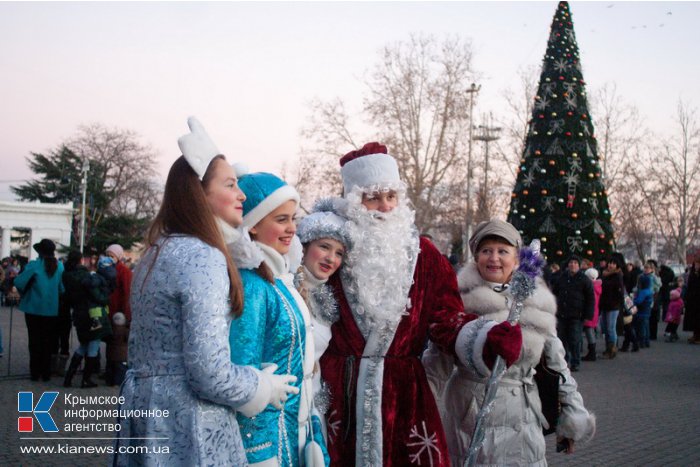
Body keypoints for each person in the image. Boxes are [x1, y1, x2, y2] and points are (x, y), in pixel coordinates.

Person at [319, 143, 521, 466]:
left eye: (391, 196)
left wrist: (484, 338)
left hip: (404, 399)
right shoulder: (331, 253)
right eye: (373, 197)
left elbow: (446, 318)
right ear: (353, 202)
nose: (384, 207)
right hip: (340, 398)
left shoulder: (424, 256)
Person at [112, 117, 298, 466]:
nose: (241, 193)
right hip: (188, 424)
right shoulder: (204, 256)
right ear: (201, 193)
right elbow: (209, 372)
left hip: (145, 415)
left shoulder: (157, 250)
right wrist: (262, 387)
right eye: (230, 184)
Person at [426, 220, 595, 465]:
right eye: (486, 251)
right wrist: (414, 412)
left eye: (502, 251)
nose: (494, 258)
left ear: (516, 259)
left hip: (522, 422)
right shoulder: (458, 301)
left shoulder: (537, 303)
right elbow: (434, 366)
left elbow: (558, 367)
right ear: (476, 257)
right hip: (470, 419)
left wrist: (570, 417)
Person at [227, 171, 328, 467]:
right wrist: (260, 453)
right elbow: (246, 372)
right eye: (281, 220)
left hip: (295, 435)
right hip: (270, 444)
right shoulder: (252, 285)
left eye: (293, 218)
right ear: (253, 226)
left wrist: (311, 433)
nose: (292, 229)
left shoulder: (279, 279)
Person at [295, 198, 350, 447]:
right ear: (304, 247)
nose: (331, 258)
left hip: (313, 409)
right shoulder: (284, 288)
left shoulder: (327, 300)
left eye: (339, 253)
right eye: (324, 246)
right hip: (285, 408)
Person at [14, 239, 65, 381]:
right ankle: (46, 372)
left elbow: (18, 282)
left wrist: (25, 292)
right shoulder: (60, 266)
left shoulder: (34, 265)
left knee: (34, 341)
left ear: (40, 252)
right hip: (52, 310)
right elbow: (61, 288)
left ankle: (35, 373)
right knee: (48, 342)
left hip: (33, 308)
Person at [62, 250, 113, 388]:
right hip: (92, 313)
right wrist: (105, 299)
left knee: (84, 343)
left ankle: (69, 378)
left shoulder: (66, 276)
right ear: (81, 260)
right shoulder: (86, 276)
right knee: (93, 343)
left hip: (78, 313)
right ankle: (86, 379)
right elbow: (96, 296)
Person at [552, 255, 594, 371]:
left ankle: (576, 361)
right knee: (562, 339)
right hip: (562, 313)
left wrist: (588, 315)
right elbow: (554, 293)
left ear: (579, 265)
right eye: (571, 263)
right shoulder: (562, 277)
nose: (573, 265)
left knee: (575, 339)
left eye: (575, 263)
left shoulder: (584, 279)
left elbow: (590, 298)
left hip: (577, 314)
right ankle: (564, 361)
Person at [599, 252, 626, 359]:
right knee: (605, 328)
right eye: (610, 263)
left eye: (613, 264)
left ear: (617, 265)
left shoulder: (617, 276)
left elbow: (620, 292)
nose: (611, 265)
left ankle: (612, 349)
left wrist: (620, 304)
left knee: (611, 328)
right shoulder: (604, 274)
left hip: (613, 306)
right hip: (604, 304)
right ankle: (607, 348)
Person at [582, 267, 602, 361]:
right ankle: (591, 351)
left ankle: (592, 351)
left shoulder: (591, 288)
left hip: (590, 312)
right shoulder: (597, 286)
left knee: (589, 331)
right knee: (590, 330)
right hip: (595, 311)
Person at [683, 256, 700, 344]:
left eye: (698, 264)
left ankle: (698, 337)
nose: (697, 266)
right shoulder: (693, 273)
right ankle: (695, 335)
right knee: (693, 319)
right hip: (692, 299)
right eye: (696, 264)